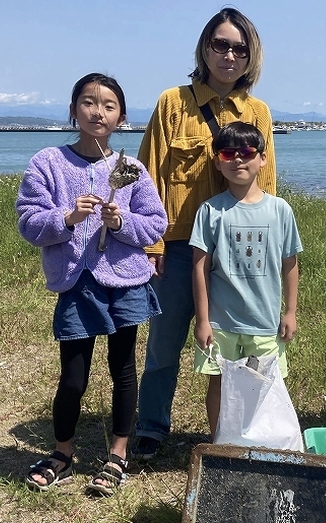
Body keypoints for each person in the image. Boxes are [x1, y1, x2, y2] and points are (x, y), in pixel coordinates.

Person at [134, 8, 277, 458]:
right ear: (204, 49)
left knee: (238, 344)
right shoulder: (172, 104)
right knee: (164, 342)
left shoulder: (257, 112)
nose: (229, 56)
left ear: (250, 56)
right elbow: (149, 176)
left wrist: (267, 250)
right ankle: (151, 427)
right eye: (221, 45)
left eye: (240, 48)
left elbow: (267, 183)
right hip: (178, 246)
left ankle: (237, 429)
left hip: (238, 250)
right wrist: (151, 243)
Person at [16, 73, 168, 495]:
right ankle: (62, 454)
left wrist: (120, 223)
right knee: (73, 377)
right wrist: (67, 218)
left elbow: (155, 223)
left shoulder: (129, 169)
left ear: (121, 117)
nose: (97, 112)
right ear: (73, 110)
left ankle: (117, 454)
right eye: (88, 102)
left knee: (123, 369)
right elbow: (29, 221)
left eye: (108, 105)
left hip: (124, 282)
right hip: (76, 283)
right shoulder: (48, 162)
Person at [189, 121, 301, 436]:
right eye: (227, 153)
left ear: (262, 159)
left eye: (247, 152)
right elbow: (199, 268)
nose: (237, 159)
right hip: (221, 322)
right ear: (217, 162)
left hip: (264, 322)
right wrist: (203, 320)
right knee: (219, 384)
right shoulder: (210, 211)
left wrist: (290, 312)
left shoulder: (280, 210)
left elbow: (290, 264)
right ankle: (220, 443)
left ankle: (259, 441)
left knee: (265, 385)